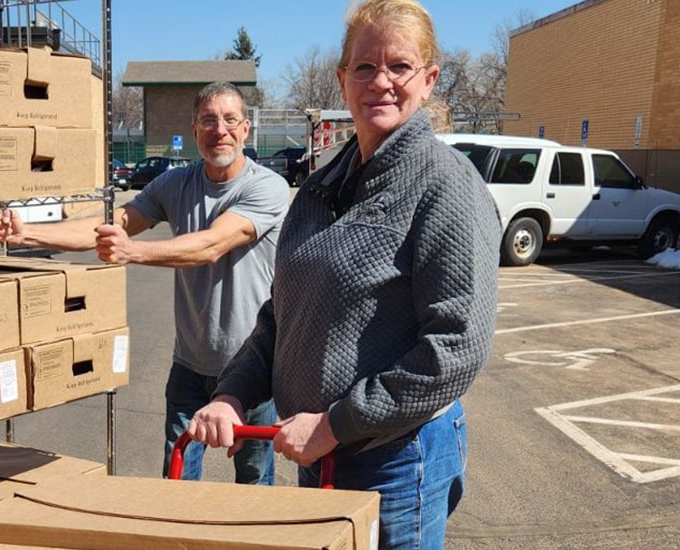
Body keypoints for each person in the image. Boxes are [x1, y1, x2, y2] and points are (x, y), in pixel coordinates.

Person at [185, 1, 500, 548]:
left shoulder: (445, 185)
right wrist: (231, 394)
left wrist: (334, 424)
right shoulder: (320, 186)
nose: (380, 81)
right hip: (317, 451)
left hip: (394, 460)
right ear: (342, 79)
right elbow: (281, 313)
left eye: (399, 66)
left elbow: (455, 348)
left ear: (428, 79)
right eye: (364, 67)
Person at [0, 82, 291, 485]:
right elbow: (110, 227)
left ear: (246, 129)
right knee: (176, 478)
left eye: (230, 119)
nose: (220, 129)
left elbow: (211, 245)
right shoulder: (174, 184)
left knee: (255, 481)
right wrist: (26, 234)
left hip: (250, 365)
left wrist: (134, 253)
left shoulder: (266, 186)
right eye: (208, 120)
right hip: (190, 364)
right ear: (194, 128)